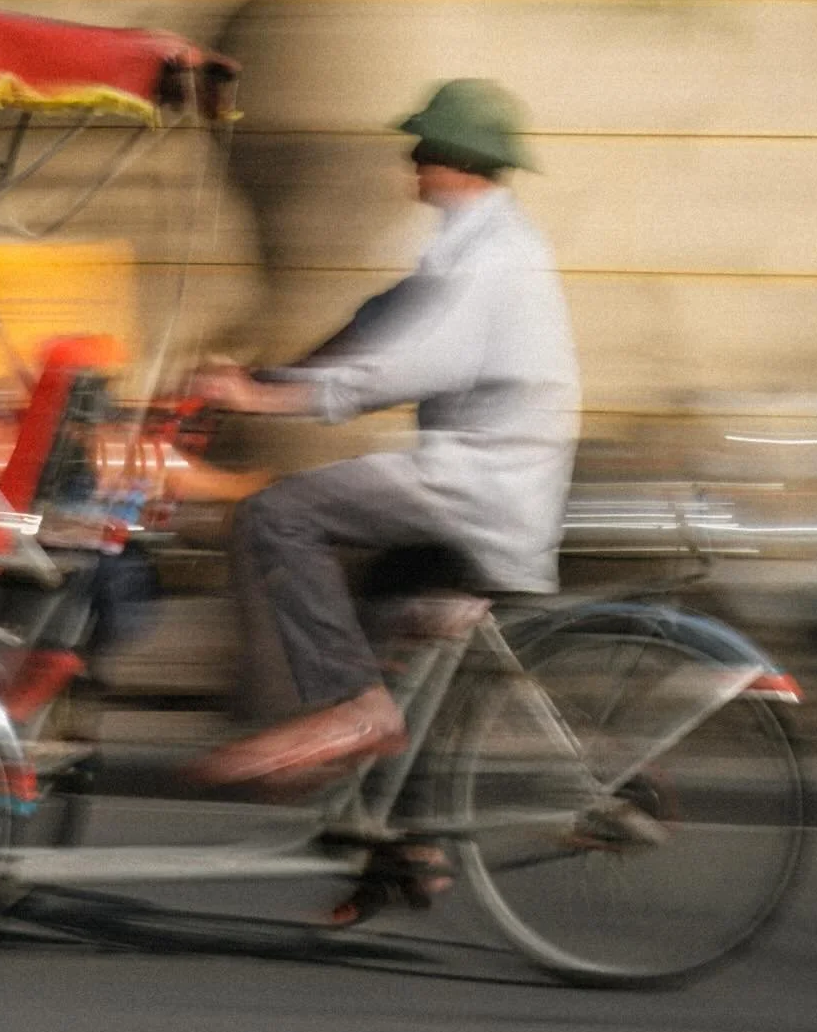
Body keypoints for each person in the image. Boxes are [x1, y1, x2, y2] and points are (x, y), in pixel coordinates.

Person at [188, 77, 580, 801]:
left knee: (277, 515)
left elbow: (407, 364)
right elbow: (377, 321)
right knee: (389, 634)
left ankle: (349, 710)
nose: (412, 161)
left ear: (452, 157)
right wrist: (265, 373)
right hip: (478, 479)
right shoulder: (474, 244)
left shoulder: (491, 255)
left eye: (422, 147)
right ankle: (404, 843)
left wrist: (273, 398)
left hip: (478, 486)